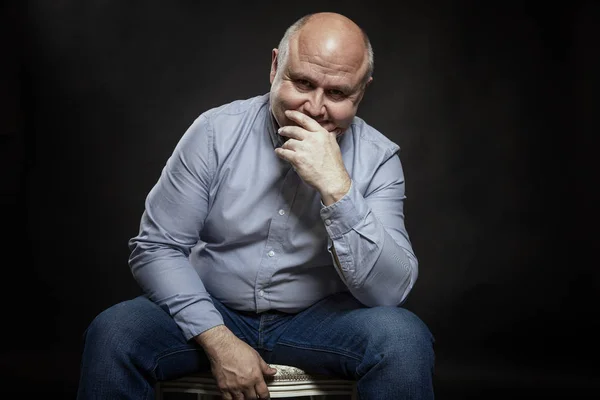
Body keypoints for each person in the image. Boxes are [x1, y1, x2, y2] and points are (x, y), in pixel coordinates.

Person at [76, 11, 435, 400]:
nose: (315, 108)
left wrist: (338, 189)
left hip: (319, 321)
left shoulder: (379, 158)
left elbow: (389, 293)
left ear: (361, 92)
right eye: (302, 83)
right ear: (275, 66)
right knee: (114, 331)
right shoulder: (215, 132)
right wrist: (218, 339)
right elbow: (156, 248)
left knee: (403, 336)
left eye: (337, 93)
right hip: (214, 306)